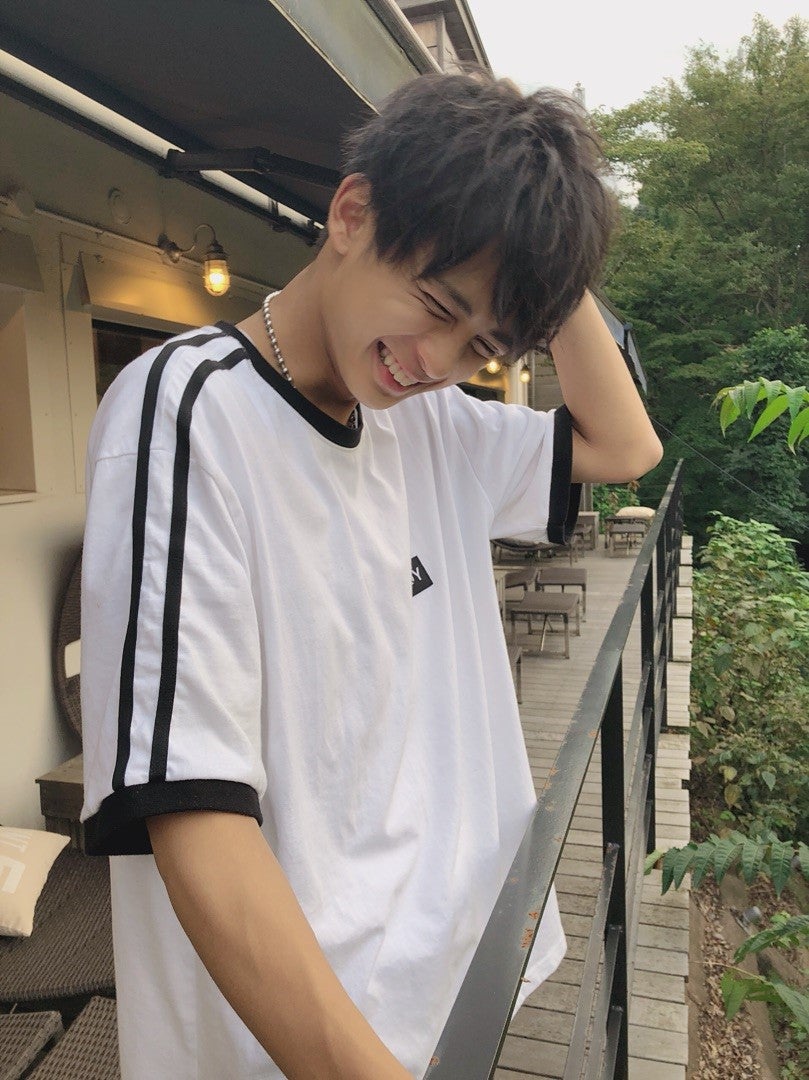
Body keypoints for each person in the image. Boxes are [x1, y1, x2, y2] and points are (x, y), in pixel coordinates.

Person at [80, 71, 662, 1080]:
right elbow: (193, 814)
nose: (431, 361)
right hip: (296, 1043)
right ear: (351, 213)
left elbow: (623, 446)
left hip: (447, 990)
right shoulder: (188, 411)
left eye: (479, 346)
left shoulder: (430, 427)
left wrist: (547, 256)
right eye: (434, 306)